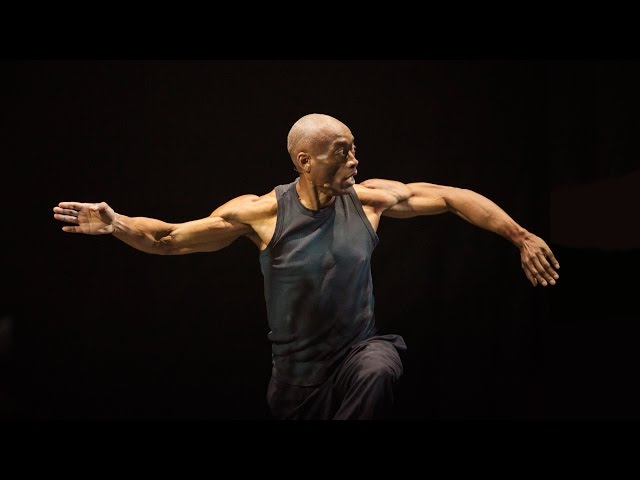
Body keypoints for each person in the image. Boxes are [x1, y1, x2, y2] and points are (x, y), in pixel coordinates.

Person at [52, 113, 560, 420]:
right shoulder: (261, 213)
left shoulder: (370, 200)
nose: (355, 161)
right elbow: (169, 238)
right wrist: (117, 224)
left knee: (380, 367)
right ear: (305, 161)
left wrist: (521, 236)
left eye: (355, 149)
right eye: (342, 152)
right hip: (298, 384)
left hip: (357, 355)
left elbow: (452, 197)